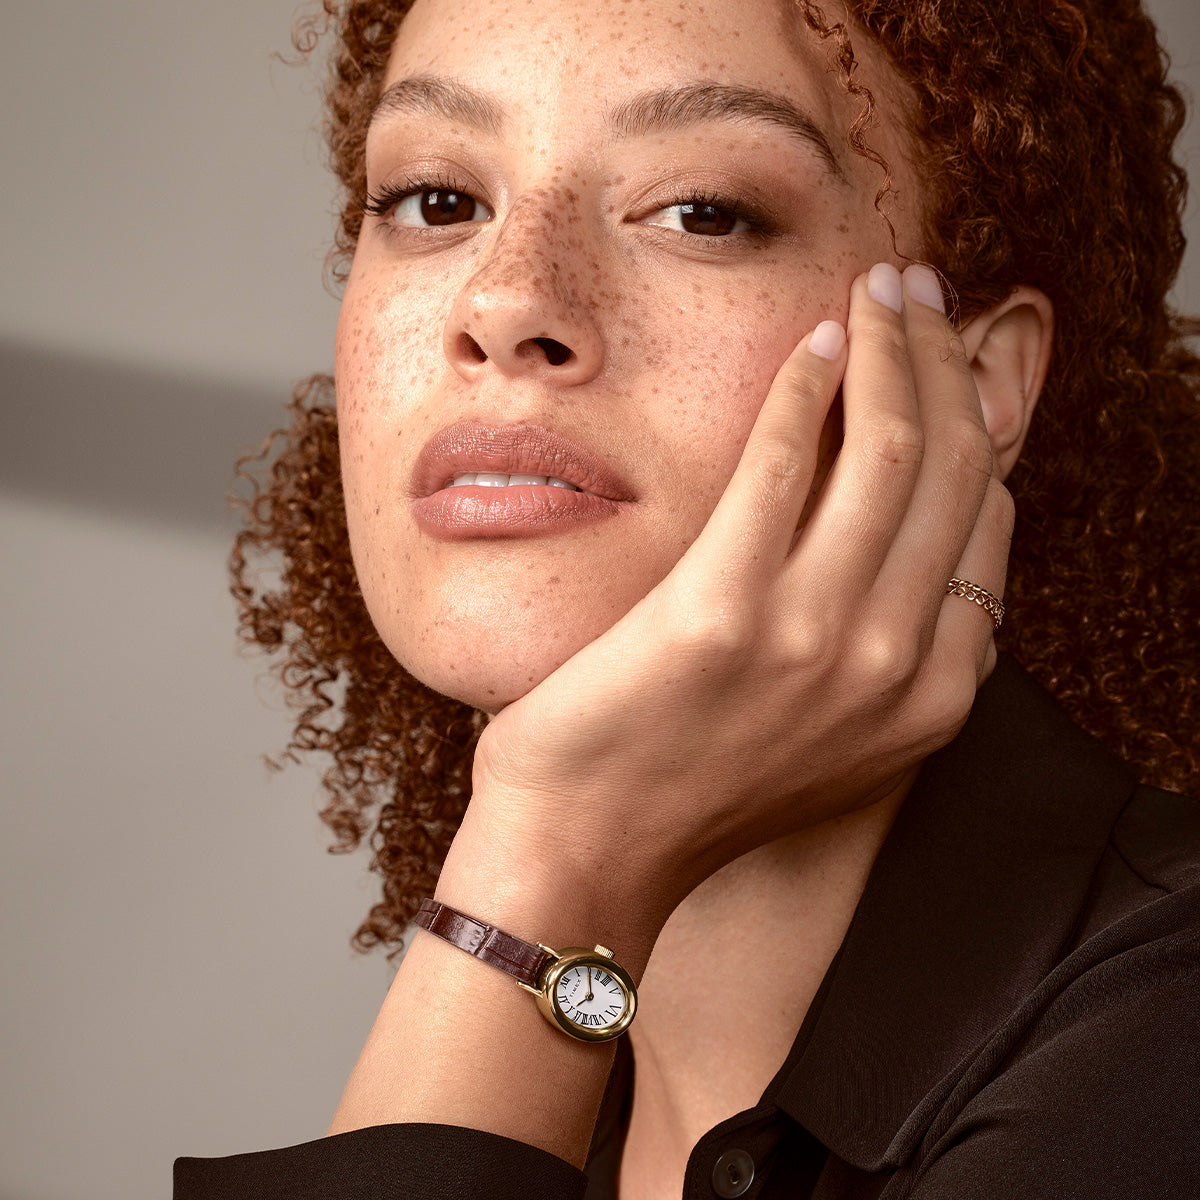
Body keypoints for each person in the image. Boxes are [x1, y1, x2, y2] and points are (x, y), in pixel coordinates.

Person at [176, 0, 1200, 1195]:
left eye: (703, 212)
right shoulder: (540, 1102)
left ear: (973, 381)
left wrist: (546, 865)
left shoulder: (1166, 1054)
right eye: (438, 201)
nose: (505, 304)